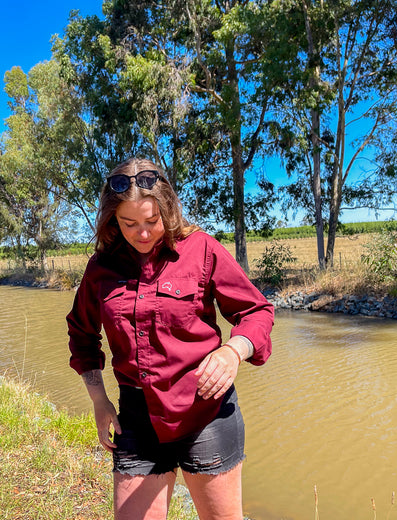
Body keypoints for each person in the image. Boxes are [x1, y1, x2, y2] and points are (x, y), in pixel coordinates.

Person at [67, 157, 274, 520]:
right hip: (137, 418)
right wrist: (99, 401)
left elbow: (256, 311)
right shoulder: (101, 269)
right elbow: (82, 336)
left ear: (167, 208)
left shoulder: (202, 249)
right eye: (129, 223)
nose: (143, 233)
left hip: (206, 412)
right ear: (112, 219)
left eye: (152, 221)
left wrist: (232, 351)